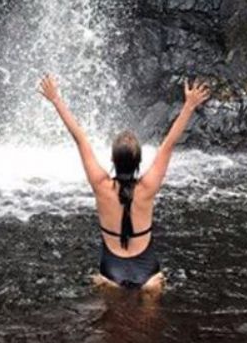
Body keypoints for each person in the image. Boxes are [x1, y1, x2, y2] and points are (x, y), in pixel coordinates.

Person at [38, 73, 211, 292]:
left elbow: (80, 139)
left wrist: (55, 99)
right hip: (148, 271)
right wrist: (189, 106)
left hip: (111, 269)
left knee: (111, 324)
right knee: (148, 326)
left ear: (112, 160)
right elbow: (168, 144)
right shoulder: (148, 187)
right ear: (139, 161)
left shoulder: (101, 185)